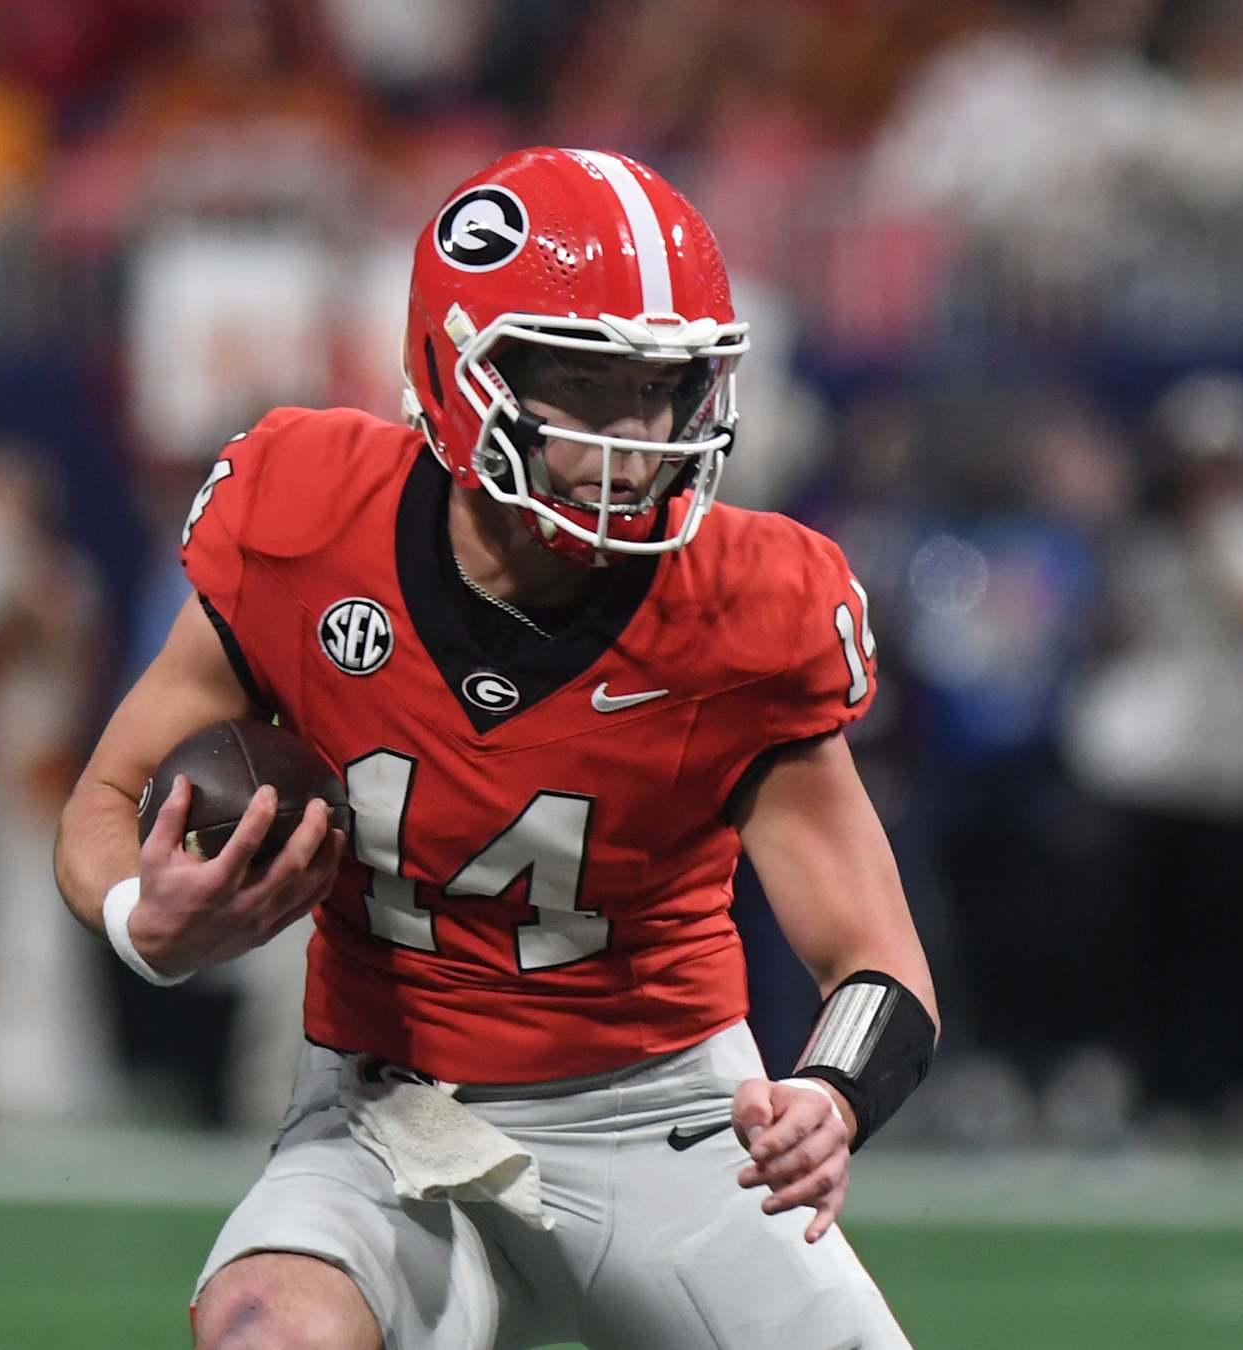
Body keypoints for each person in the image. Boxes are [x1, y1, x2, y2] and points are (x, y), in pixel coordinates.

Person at [56, 146, 938, 1349]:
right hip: (386, 1111)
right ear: (462, 374)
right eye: (588, 384)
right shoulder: (306, 518)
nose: (640, 436)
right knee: (269, 1331)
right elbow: (104, 798)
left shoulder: (748, 604)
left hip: (669, 1123)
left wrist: (830, 1095)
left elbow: (875, 955)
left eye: (665, 389)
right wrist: (139, 917)